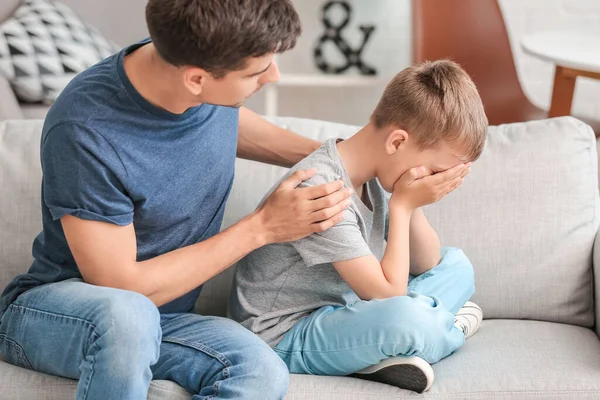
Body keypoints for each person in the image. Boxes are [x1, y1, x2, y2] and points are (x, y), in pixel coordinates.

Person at [0, 1, 354, 399]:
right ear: (196, 80)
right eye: (257, 71)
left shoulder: (187, 64)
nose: (273, 76)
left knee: (259, 372)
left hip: (161, 318)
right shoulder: (85, 130)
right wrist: (263, 228)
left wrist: (346, 157)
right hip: (60, 313)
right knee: (128, 317)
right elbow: (121, 288)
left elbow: (228, 125)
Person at [229, 60, 488, 393]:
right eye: (436, 171)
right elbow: (387, 295)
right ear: (396, 143)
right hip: (284, 333)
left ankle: (398, 342)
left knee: (457, 266)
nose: (436, 182)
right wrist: (403, 205)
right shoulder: (322, 191)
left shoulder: (378, 176)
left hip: (346, 310)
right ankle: (443, 328)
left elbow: (428, 263)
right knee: (408, 321)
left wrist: (413, 202)